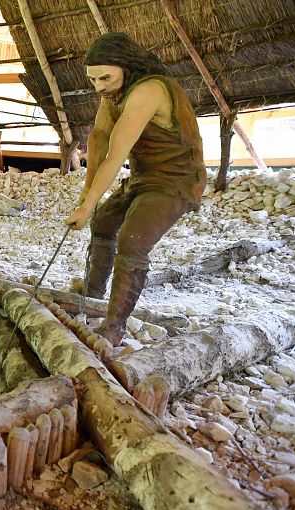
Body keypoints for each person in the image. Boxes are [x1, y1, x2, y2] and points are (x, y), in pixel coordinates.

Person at [64, 32, 207, 346]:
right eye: (92, 79)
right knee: (104, 222)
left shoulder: (149, 90)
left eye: (105, 77)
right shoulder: (113, 93)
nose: (98, 86)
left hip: (176, 180)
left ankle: (114, 326)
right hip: (144, 177)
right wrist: (87, 196)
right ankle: (93, 295)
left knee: (133, 239)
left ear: (126, 67)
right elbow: (100, 138)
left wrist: (87, 206)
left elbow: (116, 154)